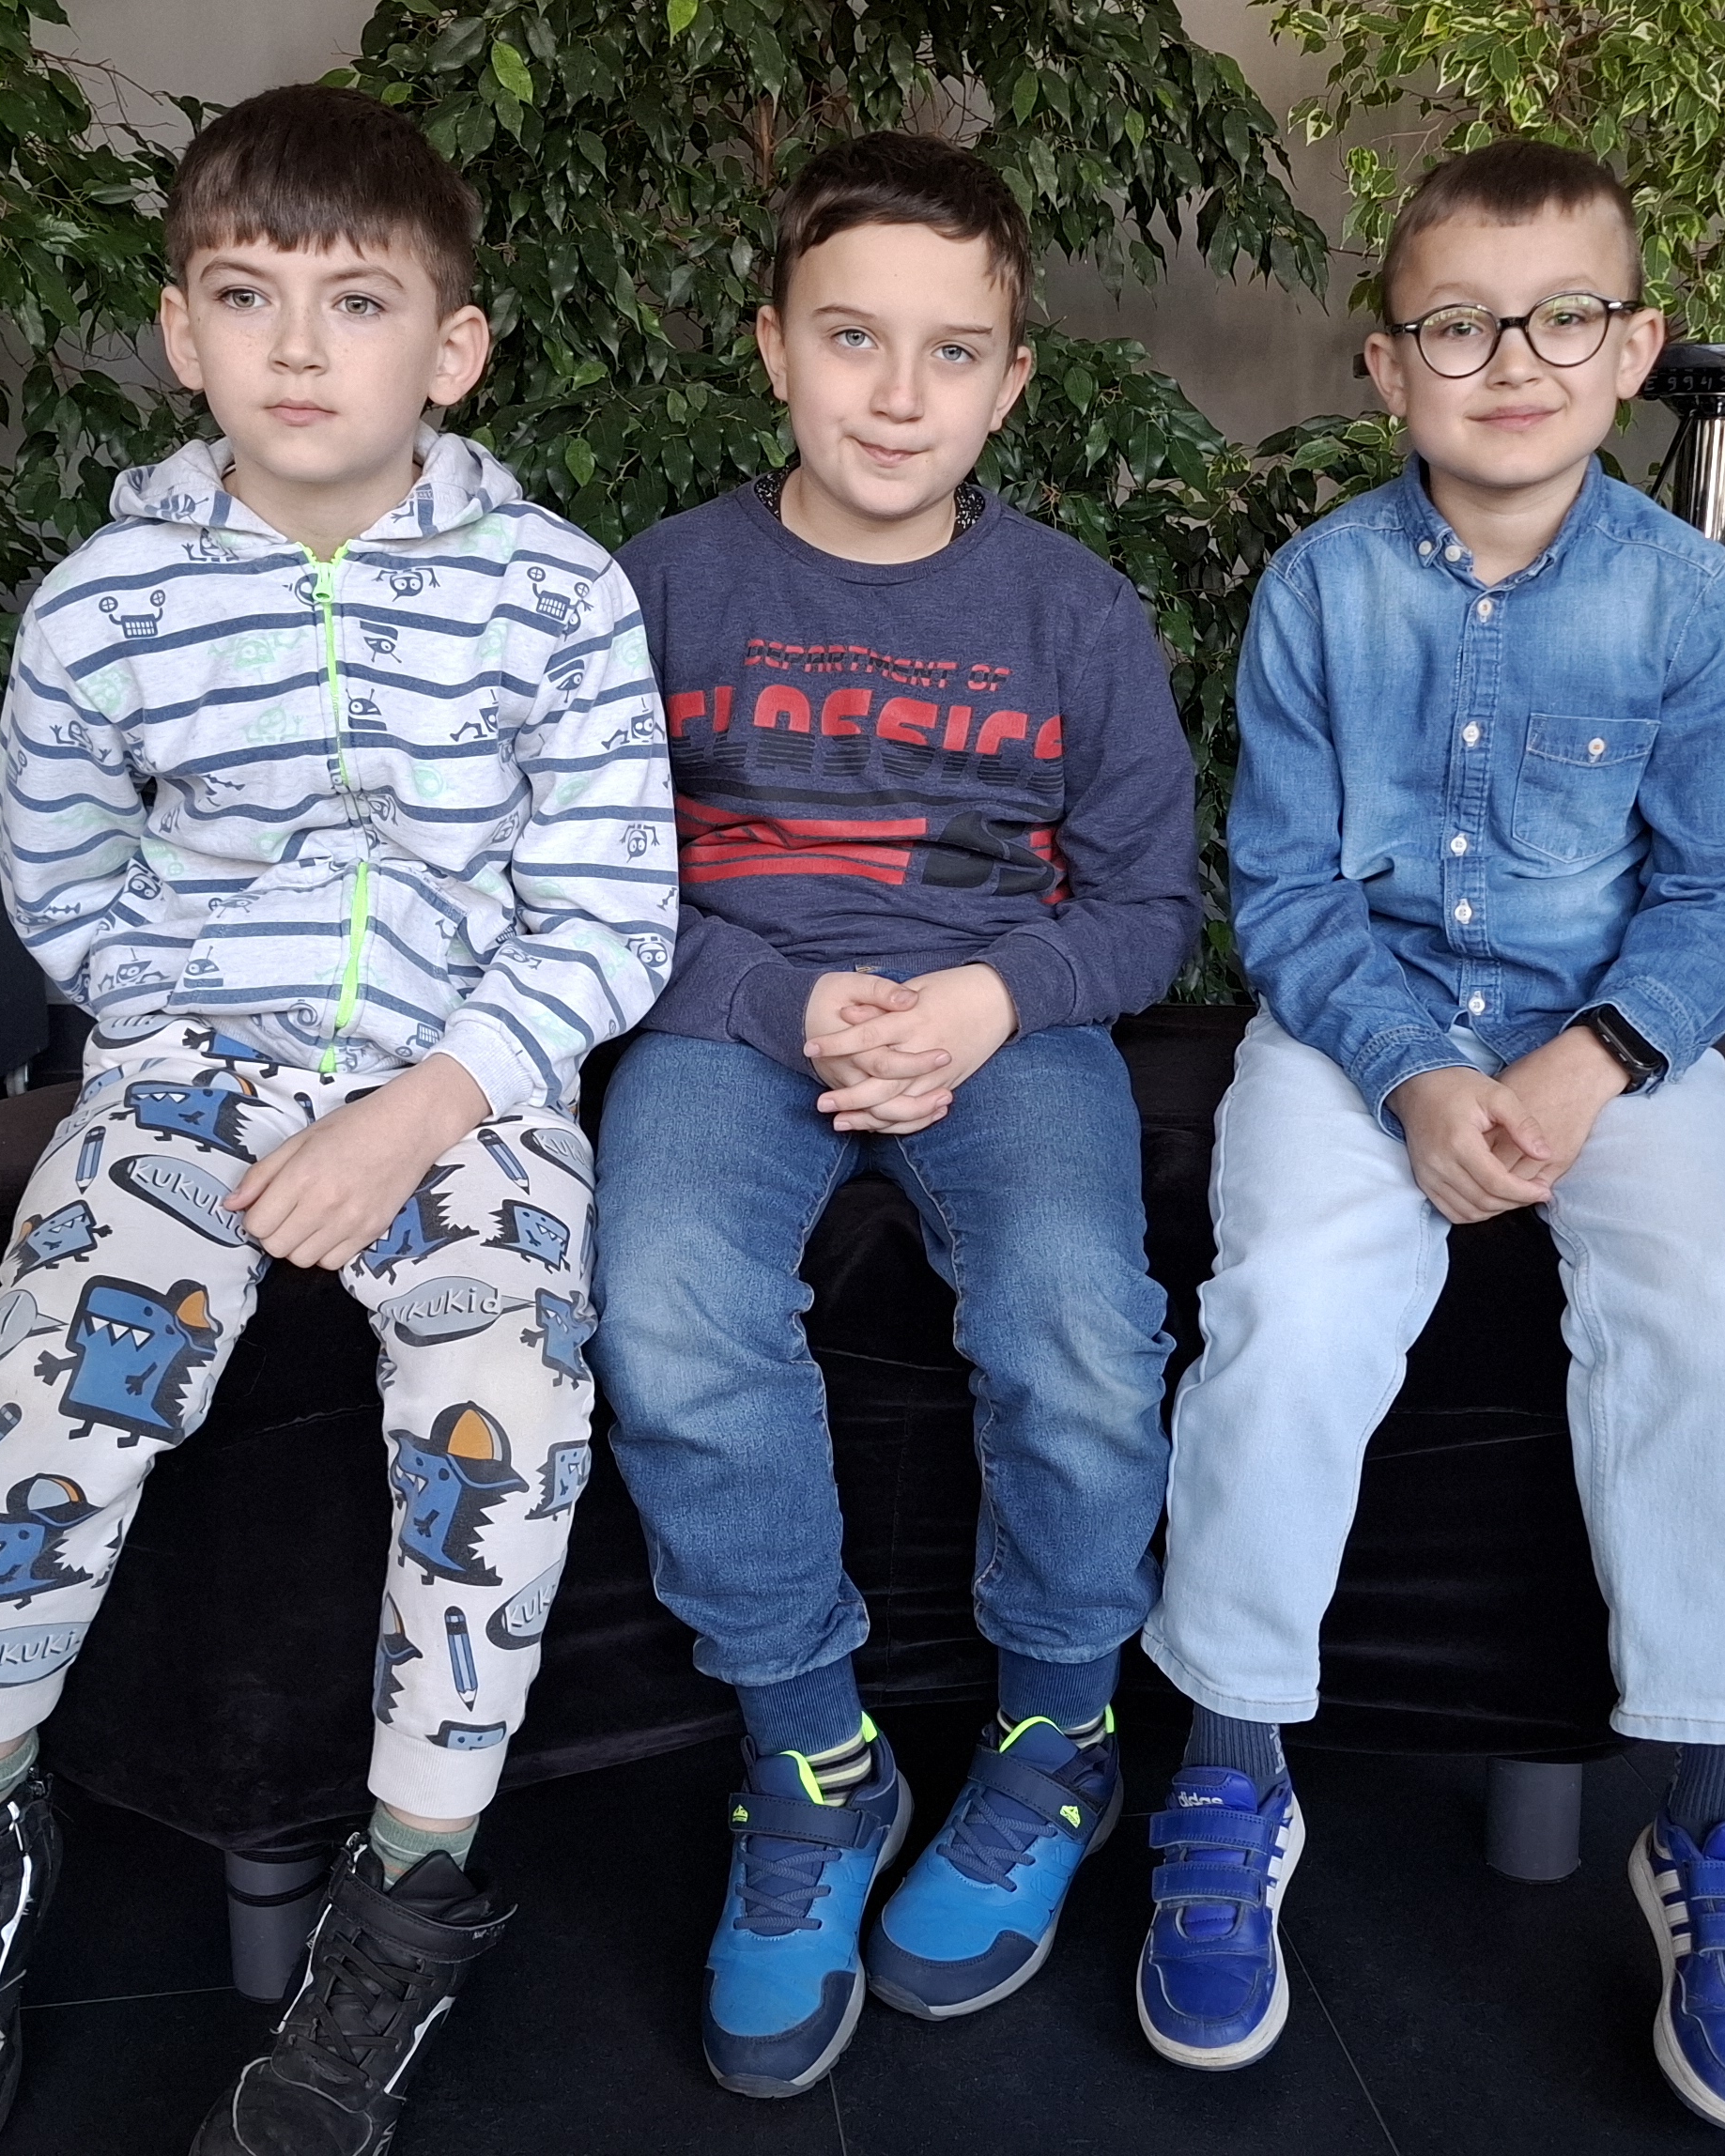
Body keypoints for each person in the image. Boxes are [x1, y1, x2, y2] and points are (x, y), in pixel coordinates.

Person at [0, 84, 673, 2156]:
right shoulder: (101, 605)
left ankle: (406, 1900)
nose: (301, 347)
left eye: (357, 301)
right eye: (246, 294)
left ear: (451, 348)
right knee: (41, 1385)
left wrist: (421, 1105)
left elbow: (611, 911)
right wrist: (194, 1039)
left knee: (510, 1408)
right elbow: (61, 882)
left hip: (472, 1079)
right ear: (181, 330)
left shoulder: (556, 594)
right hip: (193, 1061)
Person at [1134, 139, 1725, 2138]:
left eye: (1562, 319)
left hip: (1613, 1041)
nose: (1512, 361)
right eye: (1457, 325)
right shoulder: (1319, 590)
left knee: (1723, 1302)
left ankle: (1723, 1815)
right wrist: (1412, 1078)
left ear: (1636, 348)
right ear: (1386, 363)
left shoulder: (1684, 597)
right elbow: (1282, 891)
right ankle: (1232, 1767)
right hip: (1362, 1032)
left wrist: (1595, 1062)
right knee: (1290, 1296)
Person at [588, 131, 1200, 2101]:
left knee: (1078, 1316)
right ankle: (815, 1762)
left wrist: (988, 997)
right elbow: (593, 886)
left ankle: (1056, 1735)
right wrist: (780, 1001)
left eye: (952, 352)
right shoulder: (660, 584)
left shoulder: (1075, 612)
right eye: (853, 338)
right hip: (732, 1013)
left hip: (998, 1018)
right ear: (774, 346)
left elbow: (1151, 909)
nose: (898, 393)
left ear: (1011, 381)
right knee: (666, 1303)